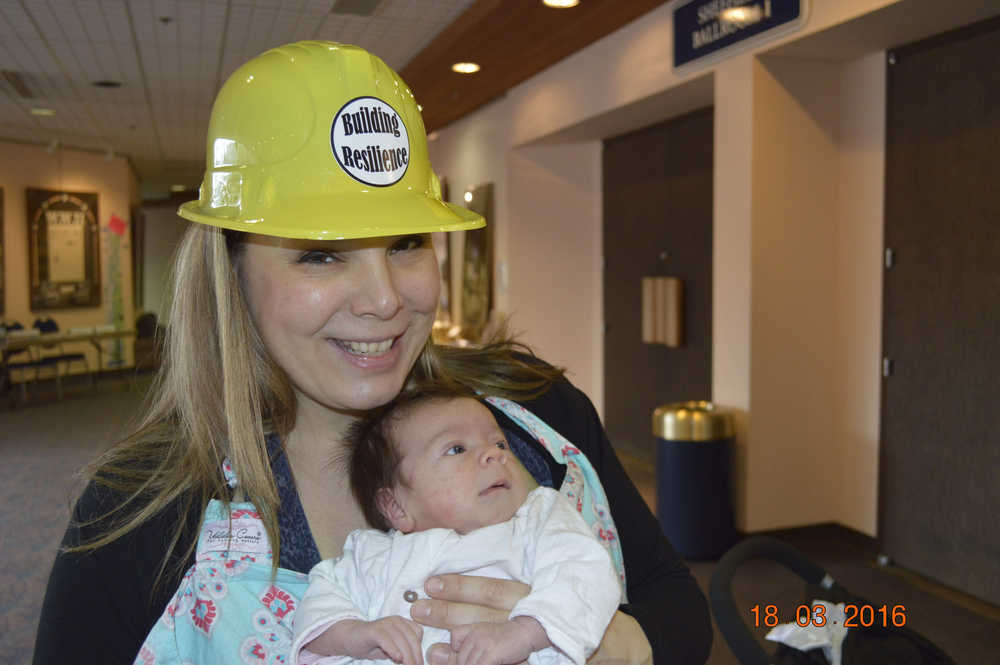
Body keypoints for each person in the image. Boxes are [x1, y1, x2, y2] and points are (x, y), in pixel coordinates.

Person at [32, 40, 712, 665]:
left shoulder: (537, 415)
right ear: (231, 272)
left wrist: (620, 645)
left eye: (406, 243)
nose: (384, 299)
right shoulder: (144, 514)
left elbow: (675, 600)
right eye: (321, 255)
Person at [291, 387, 621, 665]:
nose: (494, 455)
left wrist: (526, 630)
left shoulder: (538, 519)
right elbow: (321, 602)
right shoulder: (372, 556)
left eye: (499, 443)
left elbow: (585, 572)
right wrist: (356, 635)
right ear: (396, 506)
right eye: (457, 449)